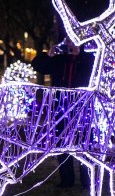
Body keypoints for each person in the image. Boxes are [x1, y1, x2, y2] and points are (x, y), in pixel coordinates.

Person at [31, 38, 95, 187]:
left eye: (74, 41)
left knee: (84, 144)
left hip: (81, 108)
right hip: (60, 108)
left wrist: (80, 54)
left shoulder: (87, 59)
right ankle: (67, 180)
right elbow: (38, 65)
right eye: (68, 42)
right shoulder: (60, 60)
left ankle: (87, 180)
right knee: (61, 143)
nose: (70, 44)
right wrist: (49, 55)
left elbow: (95, 69)